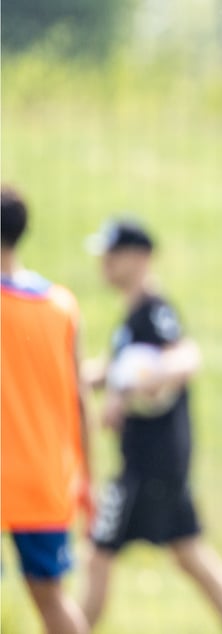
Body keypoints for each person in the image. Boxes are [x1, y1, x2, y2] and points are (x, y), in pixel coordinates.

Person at [79, 218, 222, 634]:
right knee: (188, 551)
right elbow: (115, 367)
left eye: (113, 253)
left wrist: (128, 383)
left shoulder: (156, 311)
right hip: (158, 464)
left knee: (97, 552)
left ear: (140, 258)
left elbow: (184, 358)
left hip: (148, 466)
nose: (104, 262)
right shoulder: (133, 317)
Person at [1, 185, 92, 634]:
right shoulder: (61, 306)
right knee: (53, 600)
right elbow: (81, 401)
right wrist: (88, 477)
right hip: (44, 478)